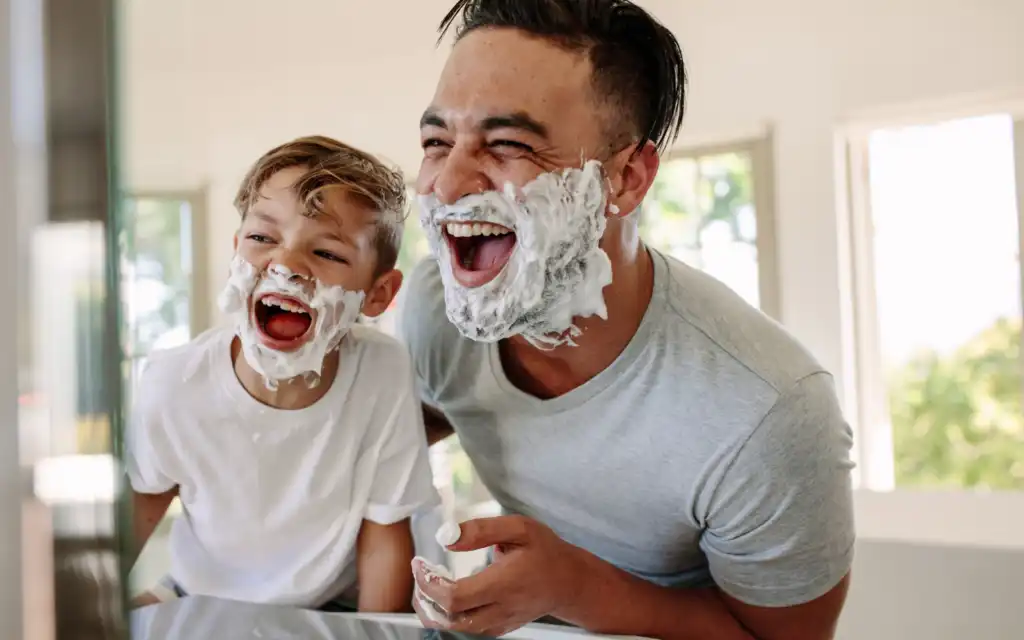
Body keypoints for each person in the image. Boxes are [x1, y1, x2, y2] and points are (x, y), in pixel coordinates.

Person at [398, 1, 856, 638]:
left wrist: (575, 588)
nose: (446, 186)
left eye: (508, 145)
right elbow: (387, 437)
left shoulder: (768, 410)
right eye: (436, 142)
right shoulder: (436, 311)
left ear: (627, 178)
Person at [126, 136, 440, 612]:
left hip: (329, 604)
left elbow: (384, 539)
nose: (287, 265)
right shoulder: (174, 384)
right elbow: (125, 530)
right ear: (236, 253)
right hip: (199, 595)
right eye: (262, 238)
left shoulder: (381, 371)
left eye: (328, 254)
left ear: (377, 295)